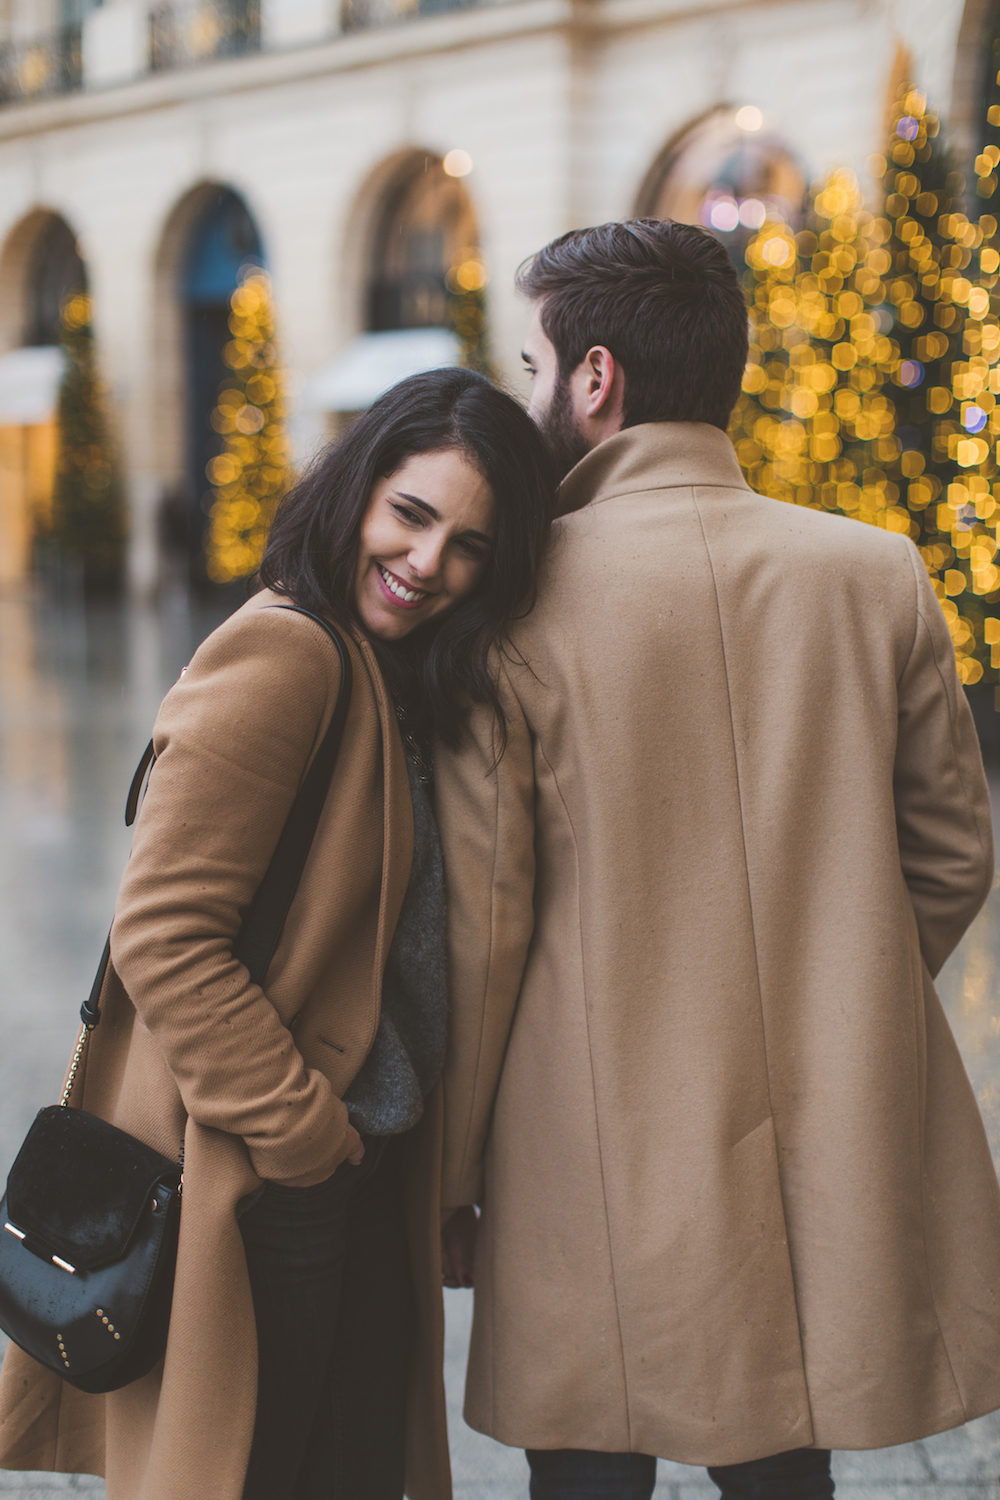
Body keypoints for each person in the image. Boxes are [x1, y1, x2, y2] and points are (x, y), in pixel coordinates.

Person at [436, 219, 1000, 1500]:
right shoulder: (875, 572)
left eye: (531, 363)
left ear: (592, 380)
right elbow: (954, 853)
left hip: (577, 1140)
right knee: (781, 1456)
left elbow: (486, 912)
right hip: (818, 1124)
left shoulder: (512, 601)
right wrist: (828, 986)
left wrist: (455, 1171)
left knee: (583, 1465)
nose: (525, 396)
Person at [0, 366, 552, 1500]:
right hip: (270, 1171)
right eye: (410, 514)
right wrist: (304, 1136)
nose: (426, 564)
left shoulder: (380, 663)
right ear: (357, 486)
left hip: (338, 1167)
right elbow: (163, 937)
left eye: (469, 549)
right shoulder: (289, 652)